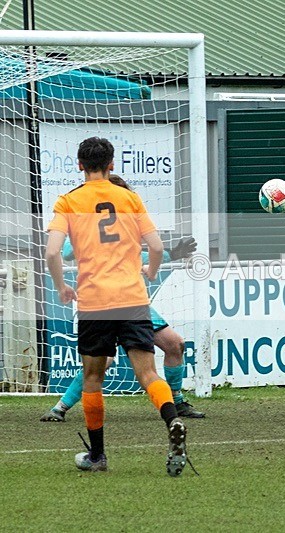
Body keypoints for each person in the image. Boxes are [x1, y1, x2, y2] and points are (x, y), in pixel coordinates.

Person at [45, 137, 188, 476]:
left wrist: (62, 286)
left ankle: (97, 456)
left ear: (79, 165)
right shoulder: (130, 198)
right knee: (148, 373)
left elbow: (52, 253)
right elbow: (155, 246)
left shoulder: (68, 202)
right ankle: (173, 419)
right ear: (112, 165)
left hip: (95, 302)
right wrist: (151, 272)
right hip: (133, 300)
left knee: (94, 377)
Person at [41, 175, 204, 422]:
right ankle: (60, 408)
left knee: (174, 344)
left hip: (133, 300)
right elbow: (64, 252)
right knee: (103, 363)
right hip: (101, 300)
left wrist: (173, 253)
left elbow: (142, 255)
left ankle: (177, 402)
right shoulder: (86, 218)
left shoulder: (126, 223)